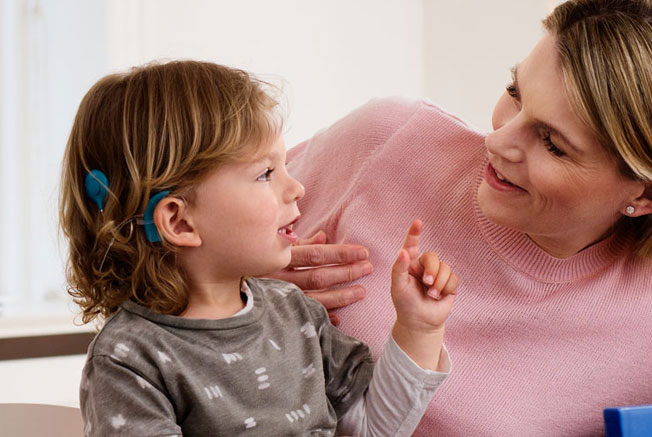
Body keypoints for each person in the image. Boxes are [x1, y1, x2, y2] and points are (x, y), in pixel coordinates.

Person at [276, 0, 652, 435]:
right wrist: (236, 288)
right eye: (516, 94)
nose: (496, 141)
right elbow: (192, 215)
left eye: (552, 144)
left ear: (648, 194)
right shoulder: (389, 138)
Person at [59, 60, 458, 436]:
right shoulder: (129, 362)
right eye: (266, 173)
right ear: (179, 222)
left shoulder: (296, 312)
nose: (296, 187)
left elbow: (372, 428)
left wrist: (419, 329)